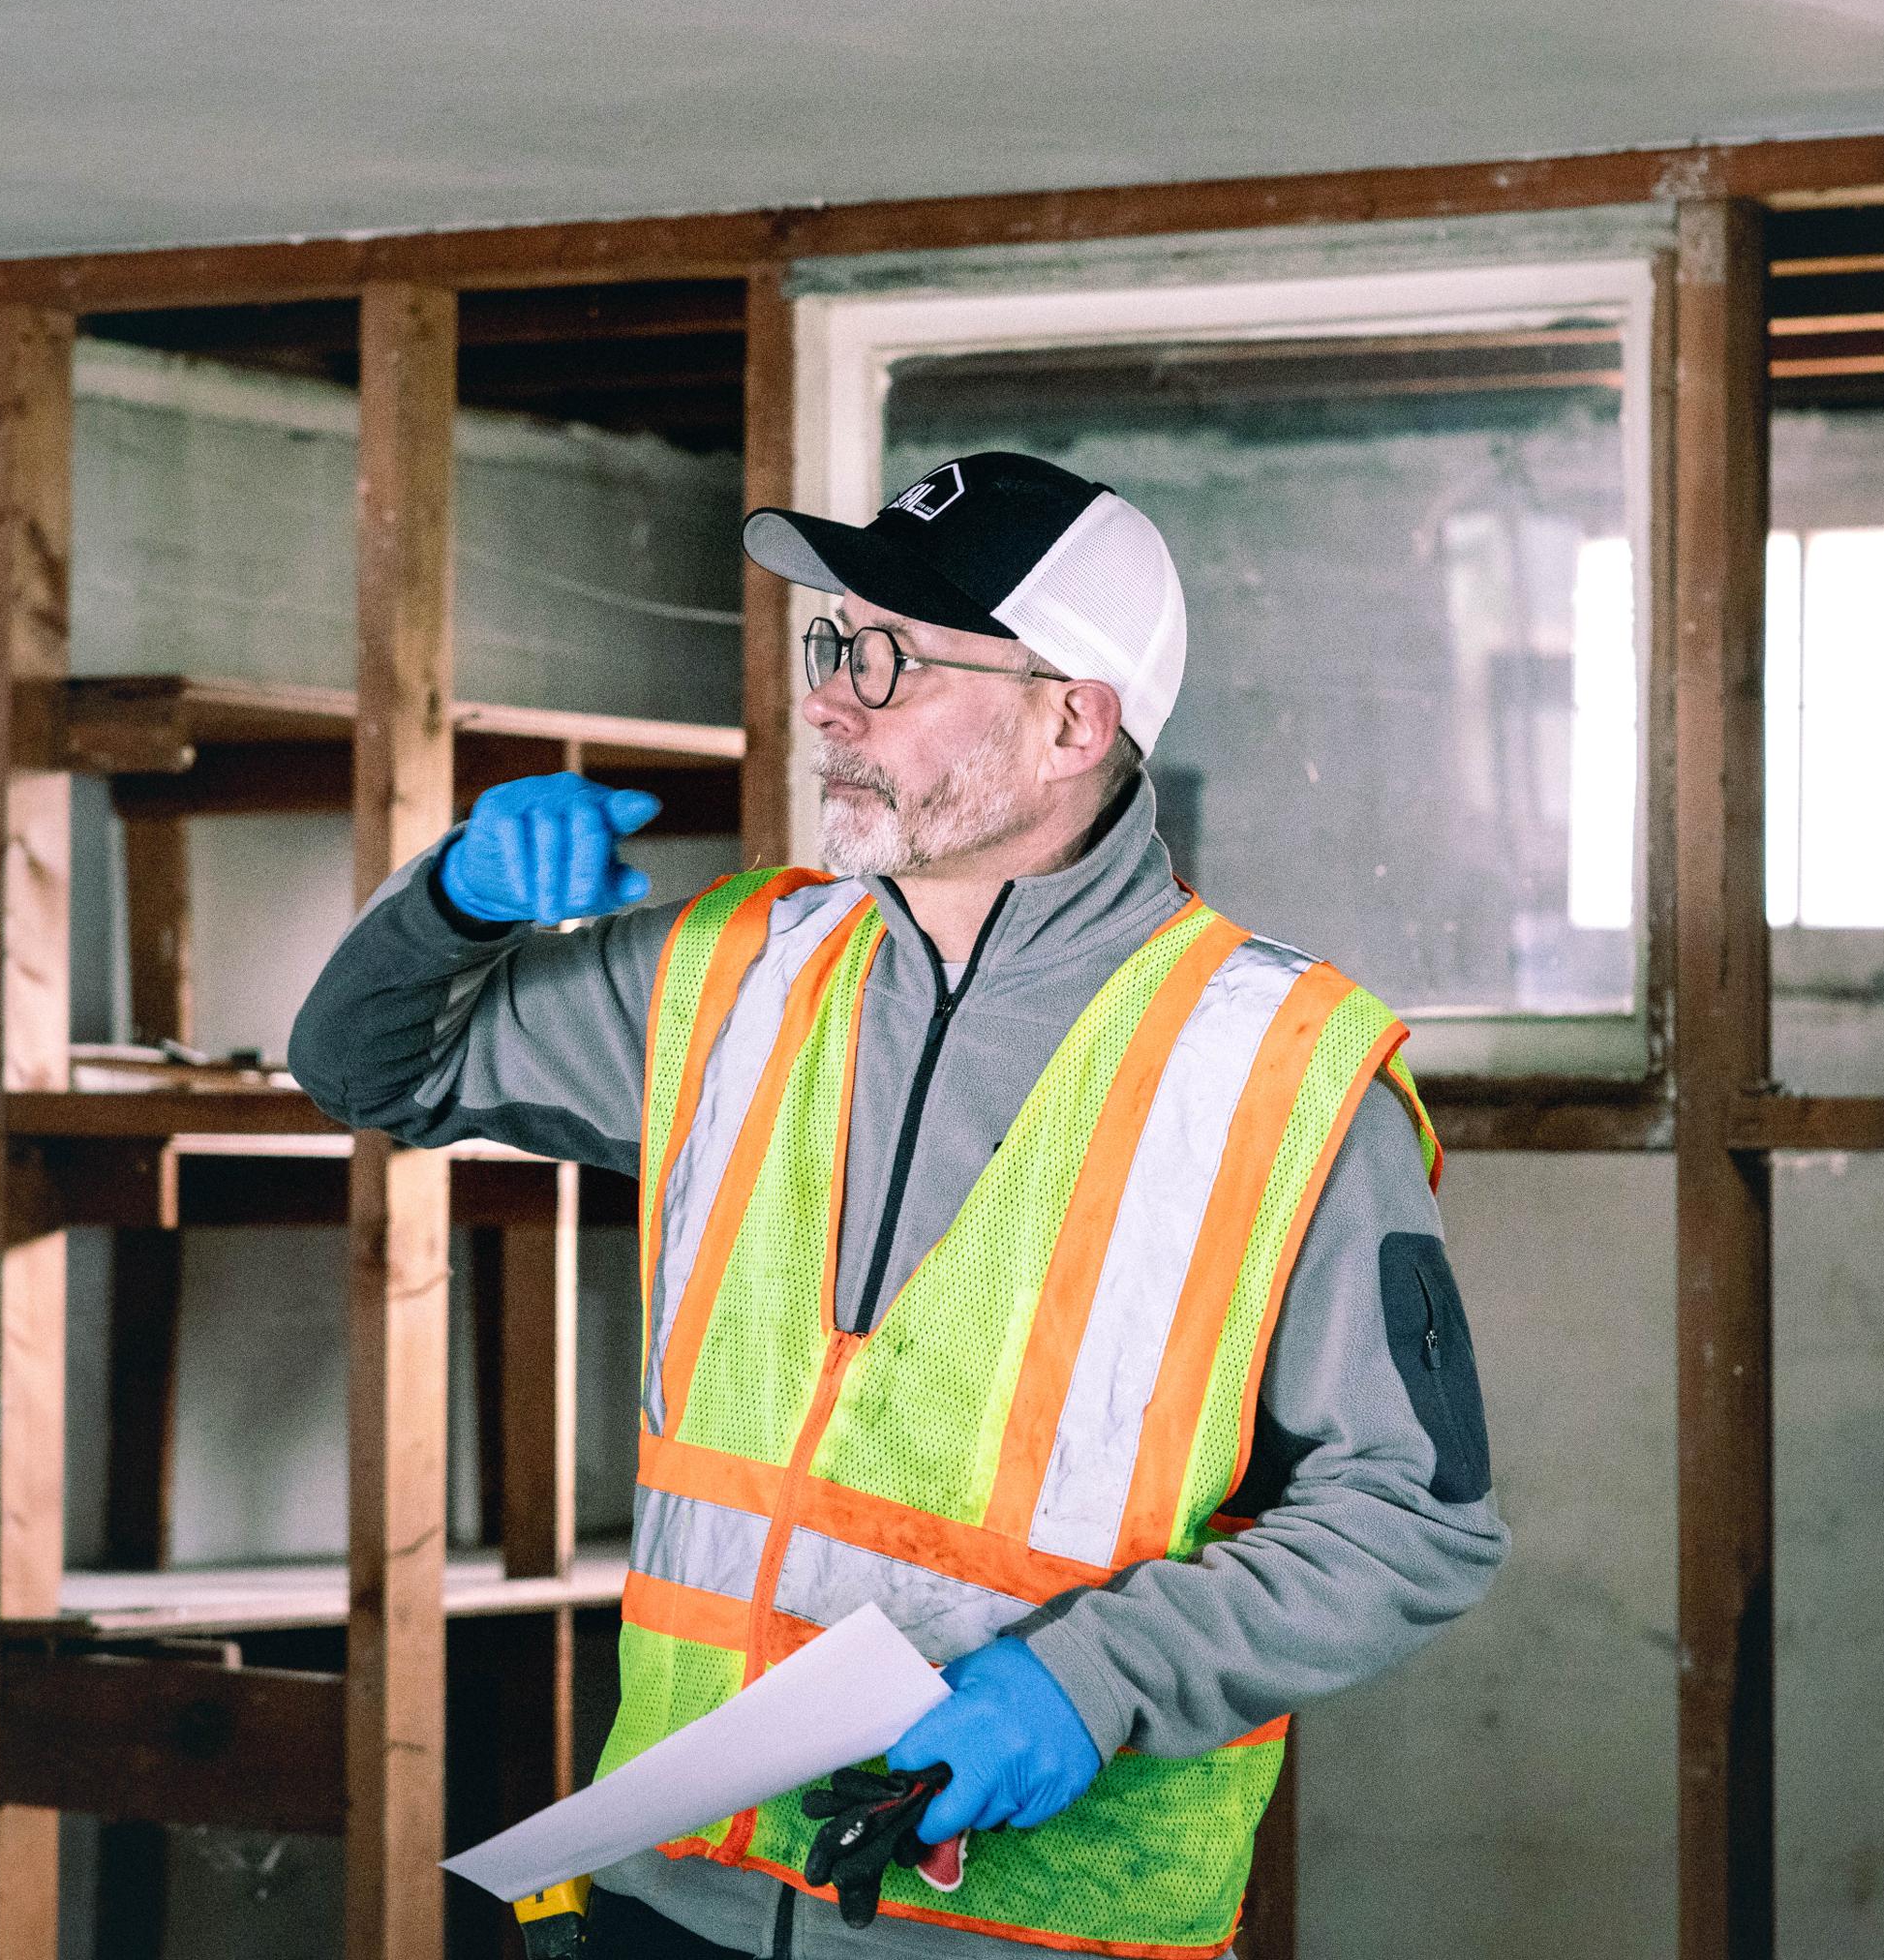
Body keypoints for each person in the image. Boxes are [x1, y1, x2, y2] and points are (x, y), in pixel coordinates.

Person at [292, 451, 1505, 1958]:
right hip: (670, 1895)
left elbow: (1413, 1525)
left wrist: (1088, 1682)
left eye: (893, 659)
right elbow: (363, 1068)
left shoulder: (1279, 1074)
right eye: (831, 644)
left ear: (1075, 717)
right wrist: (455, 901)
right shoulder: (733, 973)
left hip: (1013, 1928)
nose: (830, 699)